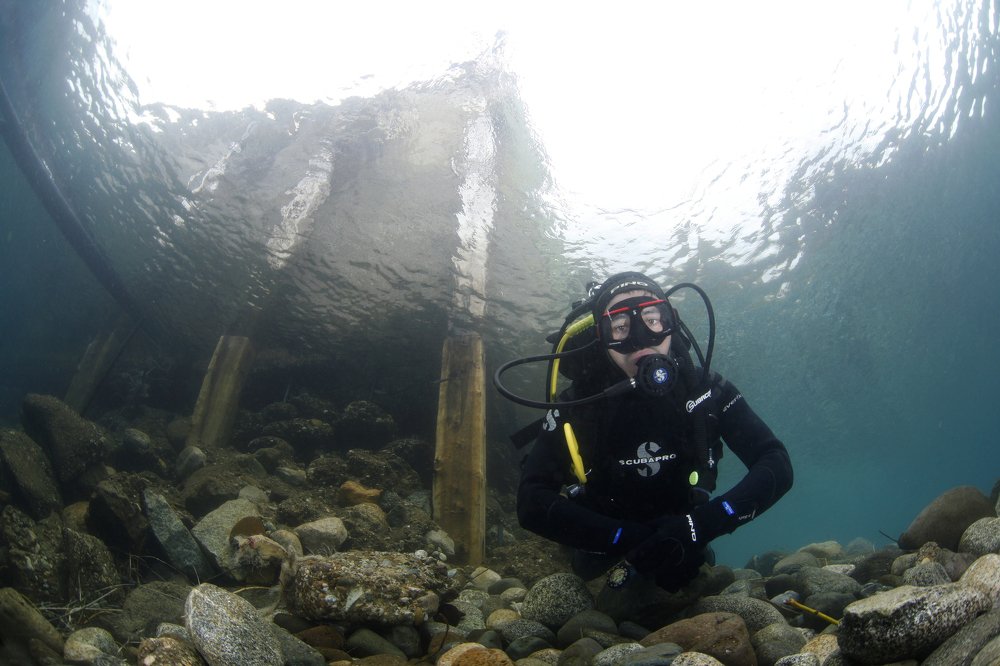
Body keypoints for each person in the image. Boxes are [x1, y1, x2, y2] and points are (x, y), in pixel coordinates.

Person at [513, 271, 793, 591]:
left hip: (688, 527)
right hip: (604, 540)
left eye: (652, 319)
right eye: (620, 327)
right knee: (589, 573)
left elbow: (776, 462)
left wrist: (699, 527)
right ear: (601, 337)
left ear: (671, 322)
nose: (640, 339)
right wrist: (623, 538)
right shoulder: (579, 406)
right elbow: (531, 500)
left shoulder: (703, 389)